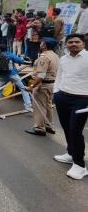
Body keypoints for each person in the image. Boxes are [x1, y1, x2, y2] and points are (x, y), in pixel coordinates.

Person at [53, 34, 88, 180]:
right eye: (70, 42)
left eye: (77, 42)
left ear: (83, 44)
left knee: (75, 130)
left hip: (82, 99)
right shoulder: (63, 59)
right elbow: (59, 76)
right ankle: (71, 153)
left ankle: (80, 165)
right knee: (67, 127)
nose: (73, 44)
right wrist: (56, 92)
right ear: (66, 44)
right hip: (63, 96)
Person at [25, 38, 59, 136]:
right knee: (48, 106)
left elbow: (41, 76)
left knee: (39, 106)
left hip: (42, 85)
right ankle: (49, 125)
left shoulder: (44, 57)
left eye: (42, 42)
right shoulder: (55, 55)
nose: (40, 44)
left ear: (45, 45)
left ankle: (39, 128)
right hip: (52, 84)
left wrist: (31, 86)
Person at [0, 43, 32, 112]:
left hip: (2, 76)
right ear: (7, 48)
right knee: (23, 89)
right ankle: (28, 106)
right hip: (13, 74)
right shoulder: (9, 54)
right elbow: (20, 60)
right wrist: (26, 61)